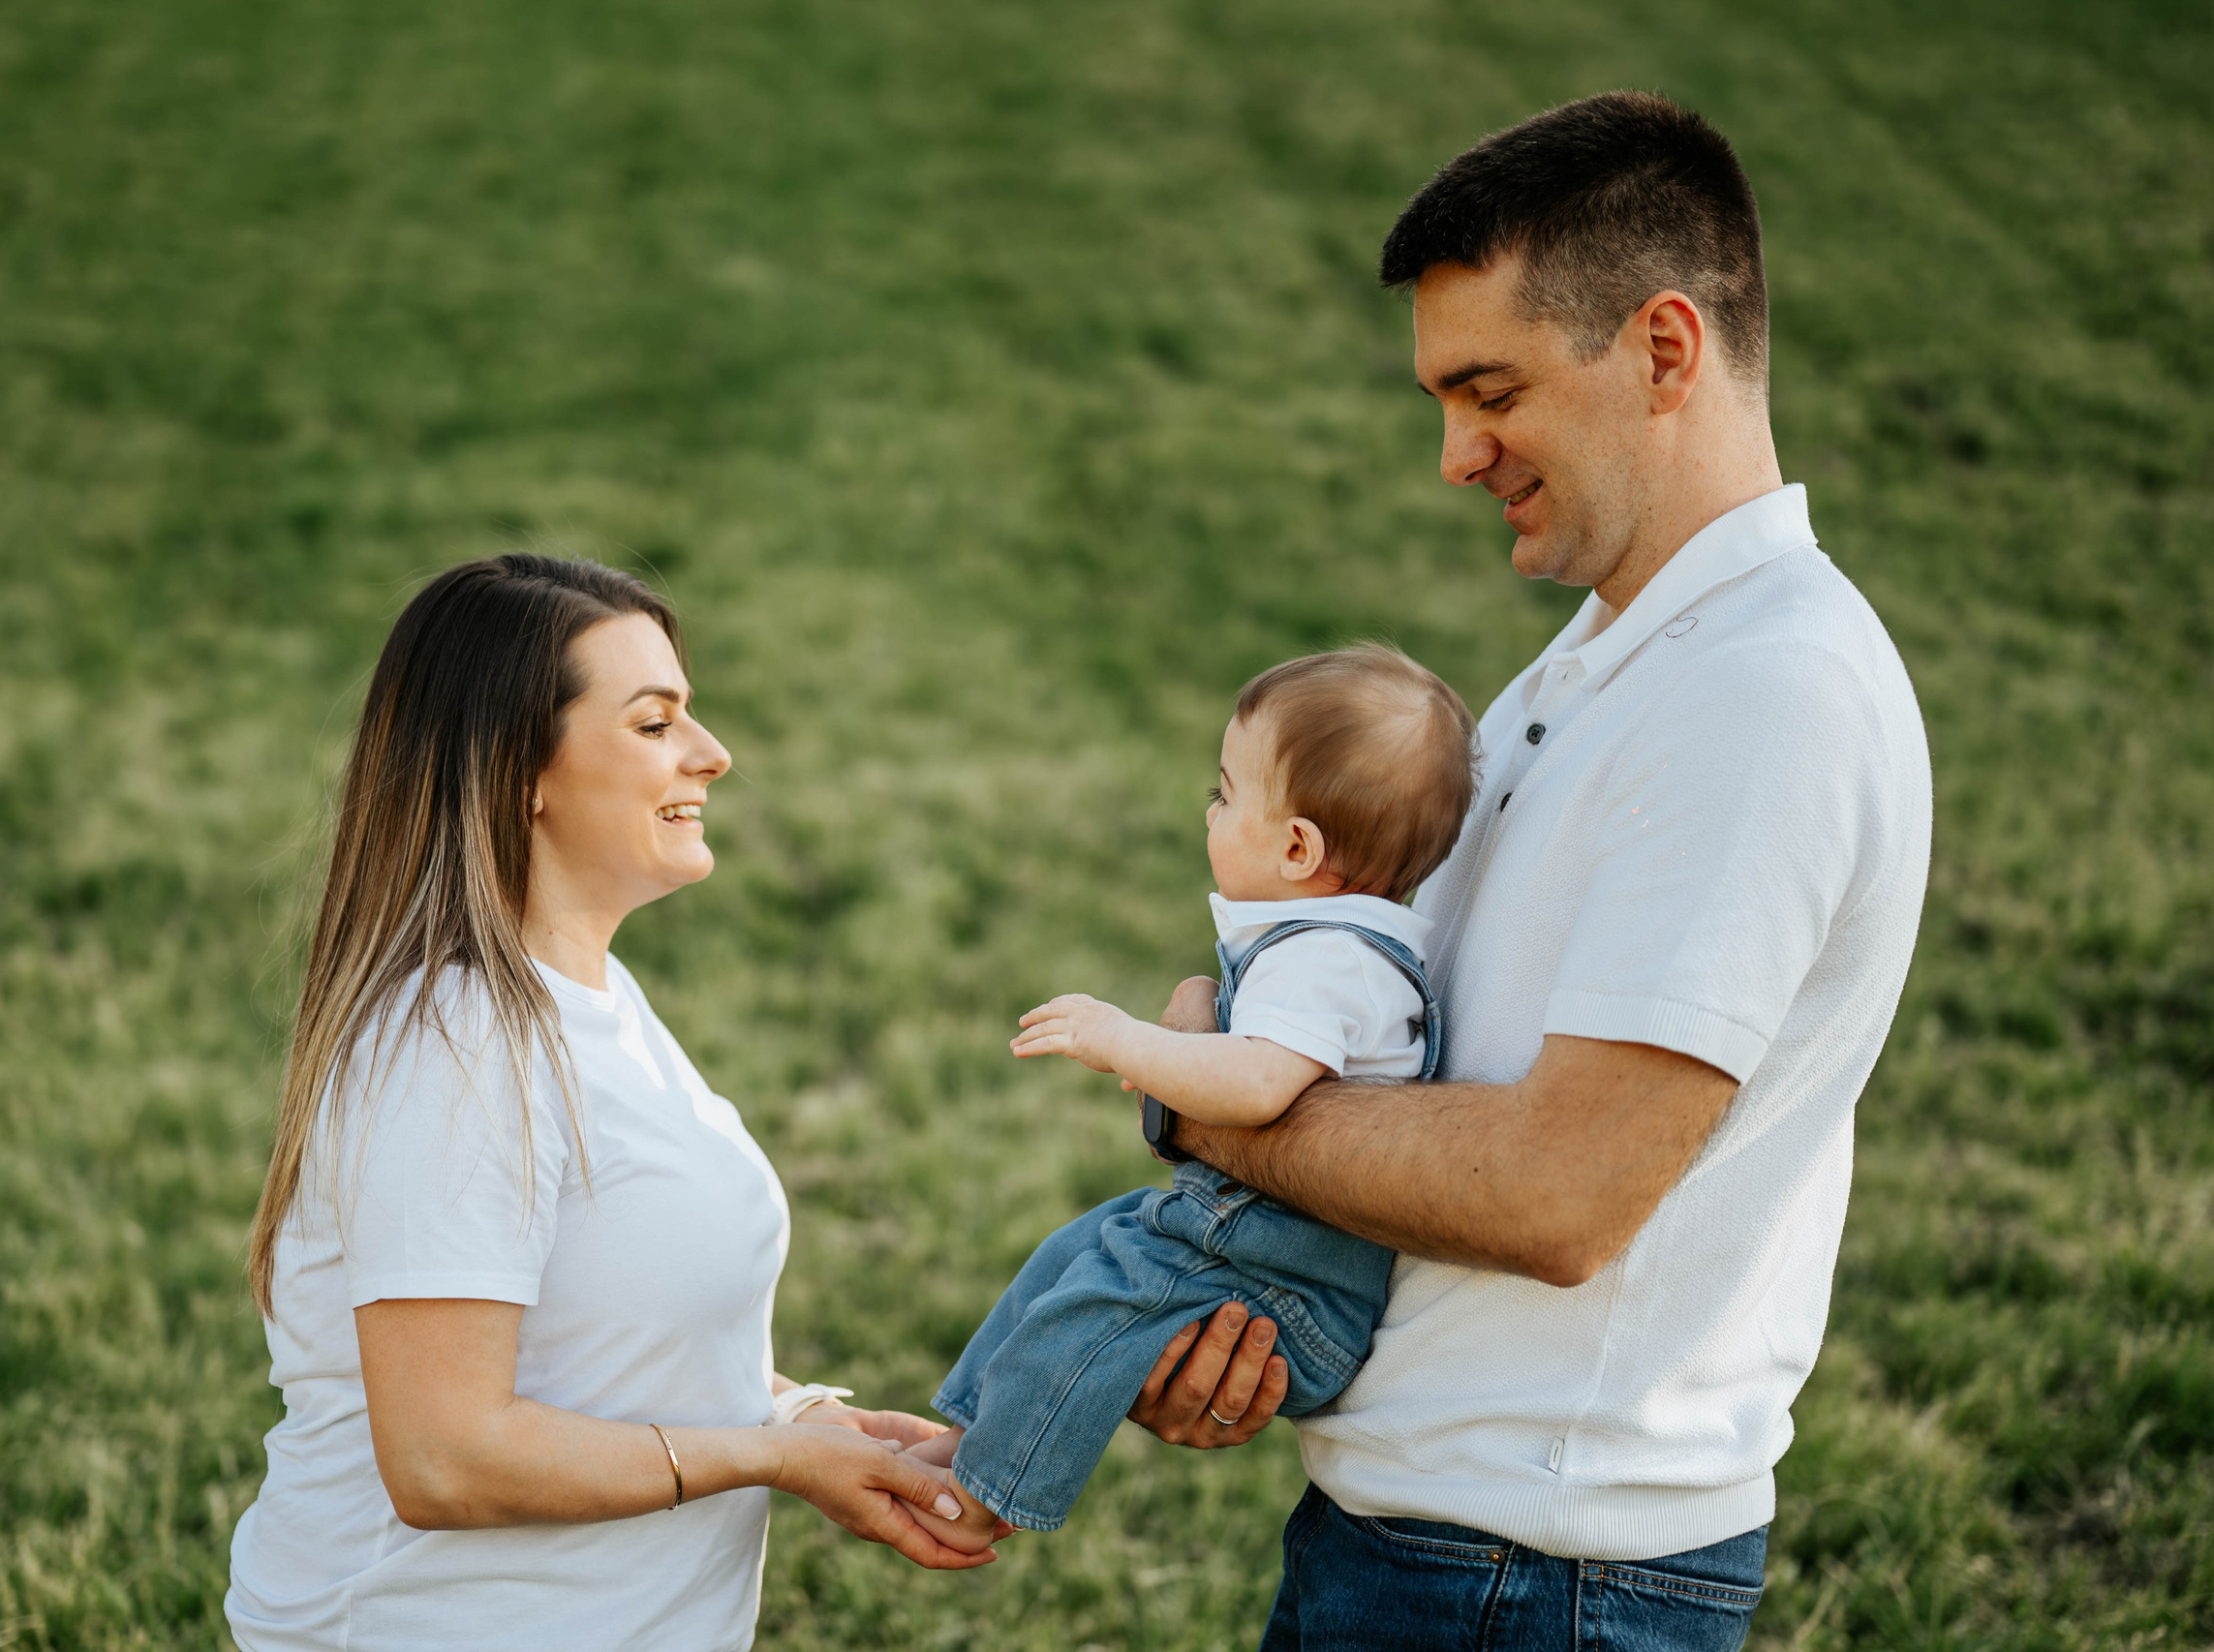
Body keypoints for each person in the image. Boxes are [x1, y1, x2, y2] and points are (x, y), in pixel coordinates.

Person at [1122, 91, 1934, 1649]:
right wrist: (1256, 1299)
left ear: (1666, 350)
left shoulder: (1764, 692)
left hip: (1541, 1579)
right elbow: (1442, 1057)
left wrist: (1205, 1103)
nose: (1455, 455)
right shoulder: (1610, 656)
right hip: (1448, 1546)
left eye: (1491, 391)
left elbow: (1560, 1191)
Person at [224, 556, 987, 1652]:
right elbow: (444, 1457)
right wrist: (771, 1458)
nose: (712, 752)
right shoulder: (453, 1048)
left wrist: (812, 1419)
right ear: (517, 771)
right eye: (654, 722)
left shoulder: (592, 997)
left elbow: (608, 1336)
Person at [904, 645, 1479, 1550]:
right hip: (1244, 1251)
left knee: (1101, 1303)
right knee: (1078, 1248)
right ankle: (977, 1434)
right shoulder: (1329, 947)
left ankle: (984, 1497)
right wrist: (1203, 1004)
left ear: (1298, 848)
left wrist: (1125, 1039)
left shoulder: (1326, 960)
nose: (1209, 812)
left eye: (1225, 794)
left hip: (1292, 1290)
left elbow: (1255, 1086)